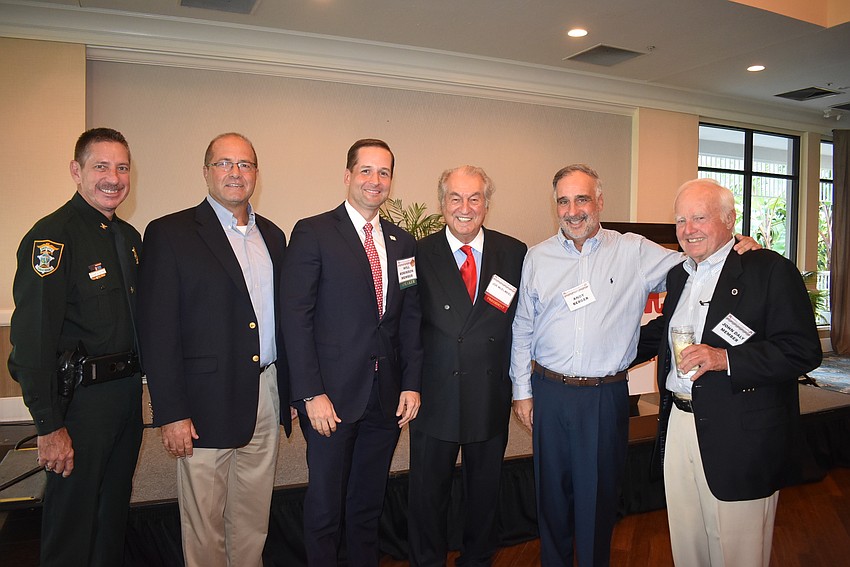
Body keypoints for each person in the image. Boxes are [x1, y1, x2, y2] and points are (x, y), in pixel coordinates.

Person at [509, 164, 760, 567]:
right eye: (564, 201)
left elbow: (696, 262)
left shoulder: (635, 251)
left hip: (604, 396)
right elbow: (522, 326)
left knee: (597, 497)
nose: (573, 210)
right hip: (548, 392)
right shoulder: (537, 257)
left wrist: (734, 247)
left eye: (582, 199)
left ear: (600, 201)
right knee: (550, 496)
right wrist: (522, 391)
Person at [636, 179, 821, 567]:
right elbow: (660, 333)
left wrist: (725, 359)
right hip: (680, 424)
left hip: (742, 435)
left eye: (700, 218)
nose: (688, 229)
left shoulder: (769, 270)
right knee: (688, 543)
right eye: (681, 220)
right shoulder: (680, 275)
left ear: (729, 219)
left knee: (738, 552)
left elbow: (803, 350)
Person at [136, 132, 291, 567]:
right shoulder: (170, 233)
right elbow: (158, 330)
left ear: (256, 174)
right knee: (204, 518)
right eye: (224, 163)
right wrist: (170, 411)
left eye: (245, 164)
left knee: (252, 513)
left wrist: (290, 393)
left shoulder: (274, 237)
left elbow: (287, 321)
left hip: (267, 392)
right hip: (202, 405)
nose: (235, 173)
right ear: (206, 172)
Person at [282, 138, 423, 566]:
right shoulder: (313, 231)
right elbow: (296, 317)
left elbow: (410, 318)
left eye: (383, 173)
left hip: (386, 399)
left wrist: (412, 384)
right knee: (325, 509)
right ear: (348, 176)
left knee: (367, 506)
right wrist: (309, 393)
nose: (374, 180)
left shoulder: (403, 242)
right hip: (331, 399)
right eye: (366, 171)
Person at [8, 127, 143, 566]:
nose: (113, 177)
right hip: (80, 406)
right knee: (72, 527)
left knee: (111, 522)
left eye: (122, 167)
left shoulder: (129, 240)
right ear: (76, 171)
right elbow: (32, 340)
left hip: (125, 400)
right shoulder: (52, 238)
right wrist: (49, 426)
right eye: (100, 166)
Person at [408, 165, 526, 566]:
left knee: (484, 492)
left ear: (486, 205)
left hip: (489, 393)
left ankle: (477, 558)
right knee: (427, 493)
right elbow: (405, 325)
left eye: (474, 198)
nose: (465, 207)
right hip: (434, 394)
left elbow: (525, 323)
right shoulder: (417, 253)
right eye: (455, 198)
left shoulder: (514, 252)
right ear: (442, 204)